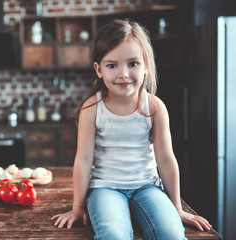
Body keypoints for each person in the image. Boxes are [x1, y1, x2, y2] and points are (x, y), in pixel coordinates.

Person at [51, 19, 212, 239]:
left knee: (172, 233)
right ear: (99, 70)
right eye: (112, 65)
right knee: (113, 235)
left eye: (133, 63)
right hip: (104, 189)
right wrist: (77, 207)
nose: (123, 73)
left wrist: (177, 207)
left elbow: (165, 159)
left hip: (147, 187)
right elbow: (84, 159)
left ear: (146, 66)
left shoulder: (155, 107)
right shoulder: (92, 107)